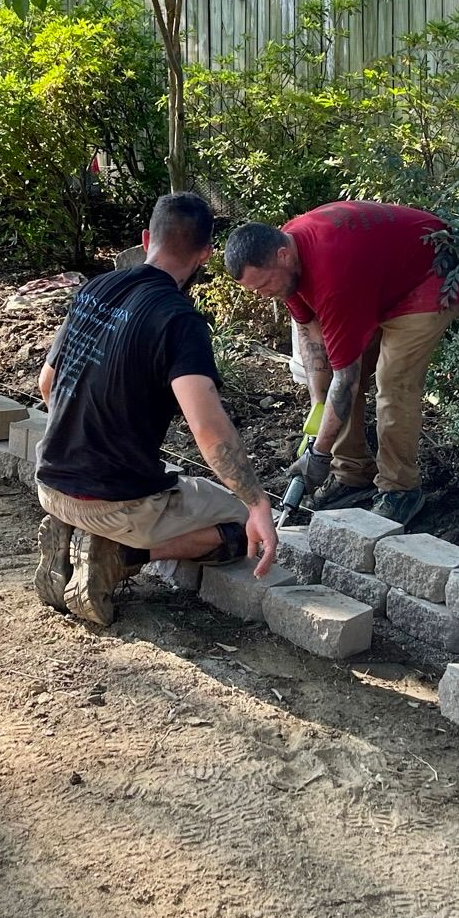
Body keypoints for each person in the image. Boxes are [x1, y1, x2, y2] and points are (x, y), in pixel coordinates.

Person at [34, 192, 278, 628]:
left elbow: (47, 385)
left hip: (50, 484)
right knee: (238, 525)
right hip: (114, 504)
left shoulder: (94, 288)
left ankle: (77, 535)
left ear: (147, 238)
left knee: (172, 492)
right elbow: (208, 429)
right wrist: (257, 502)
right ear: (205, 254)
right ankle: (119, 554)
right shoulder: (180, 321)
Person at [224, 200, 459, 528]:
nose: (262, 294)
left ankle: (401, 490)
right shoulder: (287, 269)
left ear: (282, 255)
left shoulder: (330, 271)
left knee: (393, 381)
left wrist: (318, 454)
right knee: (334, 389)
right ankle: (353, 474)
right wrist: (318, 404)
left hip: (432, 273)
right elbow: (313, 336)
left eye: (263, 285)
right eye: (254, 290)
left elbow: (347, 377)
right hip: (378, 283)